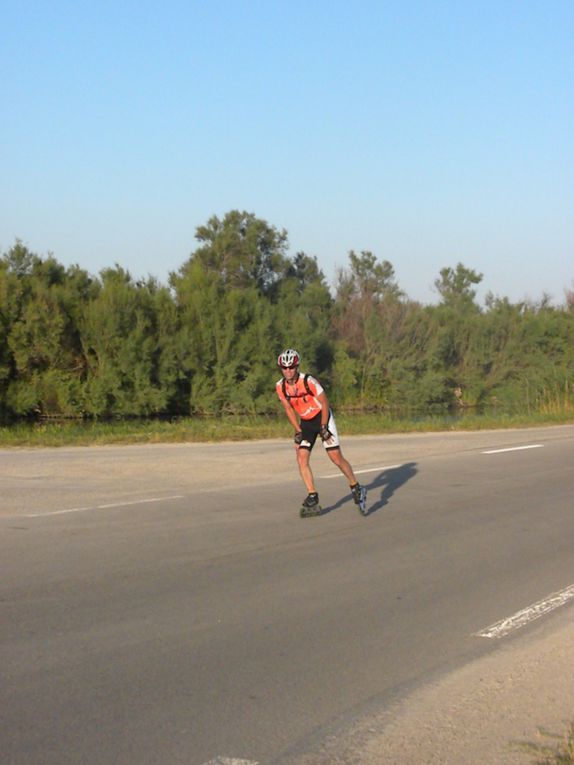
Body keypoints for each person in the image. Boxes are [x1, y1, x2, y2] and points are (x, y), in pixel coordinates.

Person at [275, 348, 367, 516]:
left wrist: (324, 427)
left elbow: (325, 403)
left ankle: (356, 487)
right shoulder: (280, 387)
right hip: (306, 423)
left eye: (291, 367)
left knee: (336, 458)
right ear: (281, 368)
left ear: (297, 366)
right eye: (285, 368)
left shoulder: (309, 382)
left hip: (322, 417)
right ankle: (312, 495)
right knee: (301, 457)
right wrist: (297, 430)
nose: (288, 371)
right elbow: (288, 409)